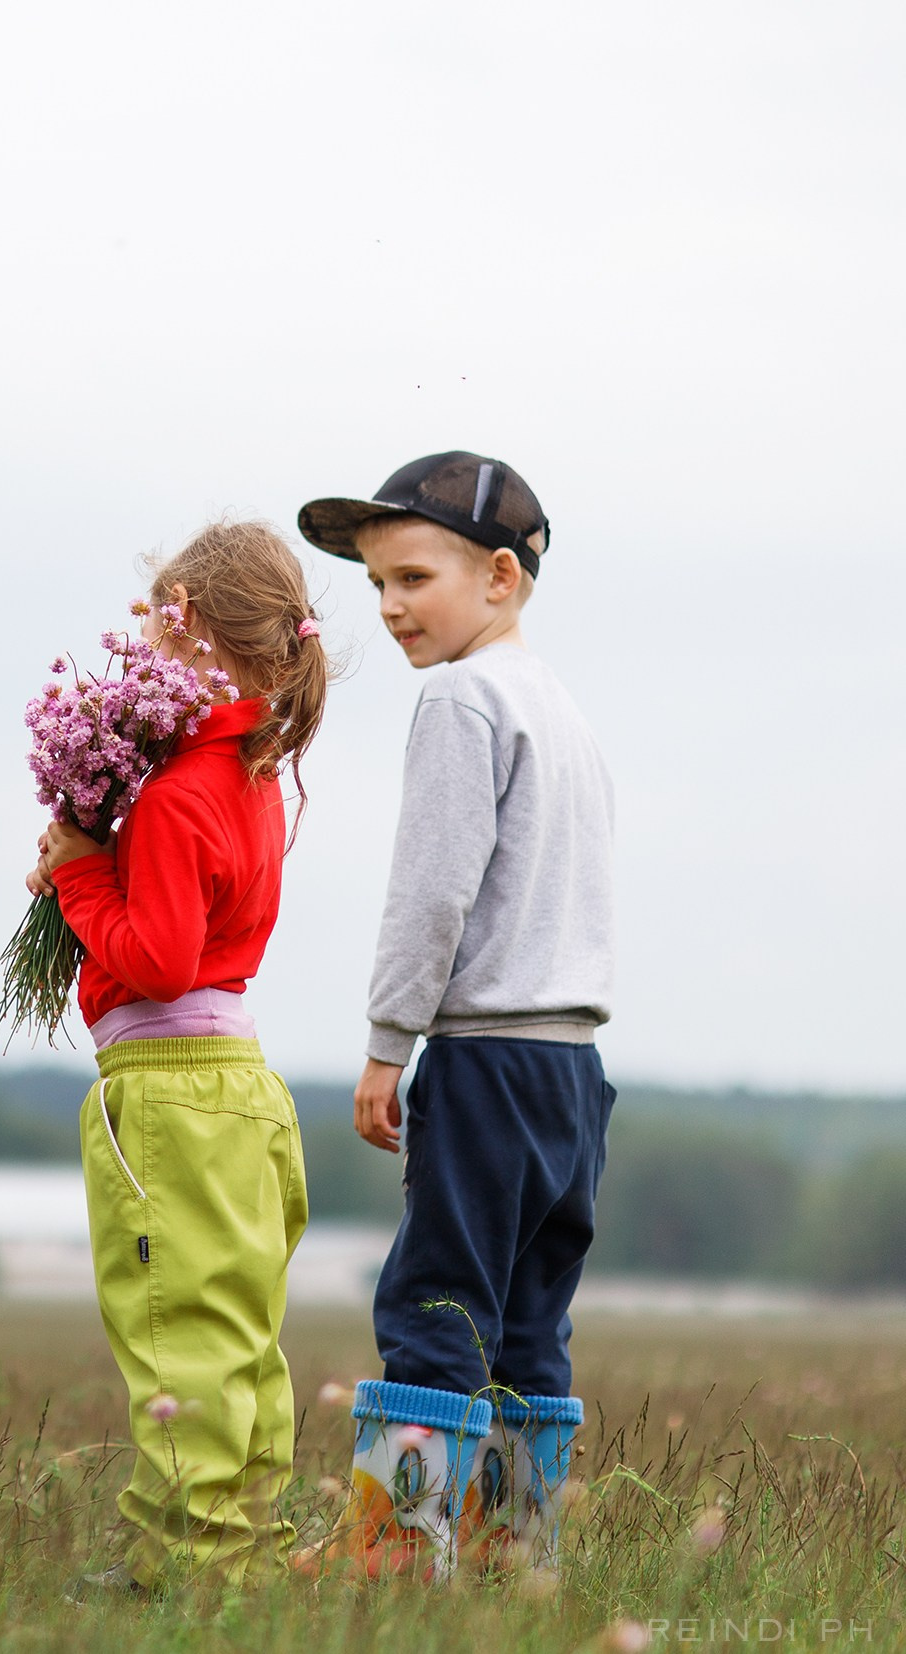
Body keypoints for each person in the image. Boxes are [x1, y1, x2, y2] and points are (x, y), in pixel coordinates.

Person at [295, 453, 615, 1579]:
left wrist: (389, 1043)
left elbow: (433, 887)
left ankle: (394, 1549)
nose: (386, 606)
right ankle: (513, 1553)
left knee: (436, 1296)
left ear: (498, 575)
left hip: (481, 1060)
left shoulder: (459, 698)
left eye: (411, 576)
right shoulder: (561, 709)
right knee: (528, 1321)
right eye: (374, 582)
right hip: (573, 1072)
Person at [31, 520, 332, 1591]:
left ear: (187, 623)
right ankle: (243, 1548)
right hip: (242, 1090)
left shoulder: (175, 792)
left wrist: (76, 872)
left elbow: (154, 960)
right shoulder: (248, 776)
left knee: (175, 1334)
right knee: (240, 1332)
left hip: (167, 1091)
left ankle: (187, 1563)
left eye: (155, 629)